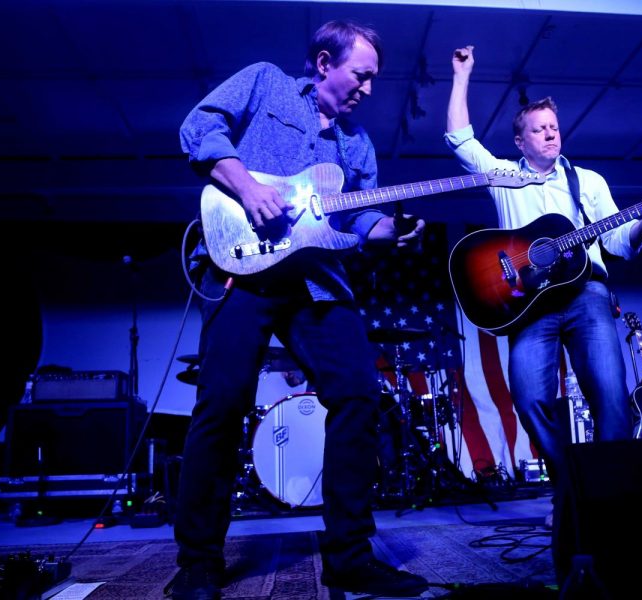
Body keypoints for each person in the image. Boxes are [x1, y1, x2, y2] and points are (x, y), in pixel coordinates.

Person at [169, 20, 428, 600]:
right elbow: (199, 126)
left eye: (373, 80)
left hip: (317, 282)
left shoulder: (357, 145)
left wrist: (394, 228)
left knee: (359, 394)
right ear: (323, 63)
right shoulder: (265, 84)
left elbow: (360, 224)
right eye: (361, 75)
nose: (368, 88)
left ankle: (350, 557)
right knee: (222, 402)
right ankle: (199, 562)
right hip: (244, 269)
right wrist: (247, 188)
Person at [445, 44, 642, 577]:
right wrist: (462, 75)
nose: (551, 133)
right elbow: (459, 138)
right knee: (527, 397)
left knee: (611, 400)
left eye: (555, 126)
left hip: (588, 295)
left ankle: (611, 500)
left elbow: (616, 244)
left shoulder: (587, 183)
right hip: (530, 308)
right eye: (540, 128)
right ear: (521, 140)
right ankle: (572, 486)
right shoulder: (503, 174)